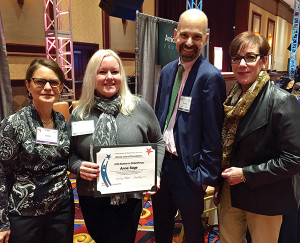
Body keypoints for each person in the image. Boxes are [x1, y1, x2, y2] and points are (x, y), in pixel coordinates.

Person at [68, 49, 164, 243]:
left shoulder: (139, 107)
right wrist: (77, 166)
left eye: (115, 71)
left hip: (130, 195)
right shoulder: (79, 114)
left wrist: (156, 172)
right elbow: (68, 153)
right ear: (92, 77)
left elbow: (159, 141)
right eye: (102, 72)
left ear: (122, 75)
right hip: (91, 195)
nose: (109, 77)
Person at [152, 9, 226, 243]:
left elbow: (214, 133)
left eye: (196, 36)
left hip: (190, 171)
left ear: (206, 38)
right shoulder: (166, 72)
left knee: (193, 231)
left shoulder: (211, 77)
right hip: (163, 166)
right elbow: (159, 118)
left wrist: (204, 176)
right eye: (184, 35)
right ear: (175, 35)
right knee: (161, 224)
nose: (189, 42)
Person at [219, 31, 300, 243]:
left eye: (250, 57)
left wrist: (246, 174)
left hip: (266, 195)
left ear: (264, 61)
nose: (242, 64)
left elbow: (294, 160)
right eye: (236, 58)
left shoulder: (282, 101)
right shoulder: (231, 99)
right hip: (232, 191)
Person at [0, 58, 74, 243]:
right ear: (28, 85)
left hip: (61, 209)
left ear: (61, 87)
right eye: (40, 81)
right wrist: (2, 222)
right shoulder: (13, 124)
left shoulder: (62, 121)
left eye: (54, 82)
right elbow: (1, 172)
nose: (48, 87)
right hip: (25, 212)